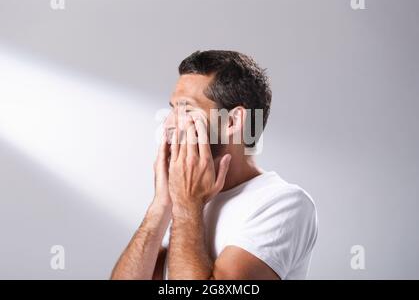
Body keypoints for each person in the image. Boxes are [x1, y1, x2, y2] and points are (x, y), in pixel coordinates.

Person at [111, 50, 317, 280]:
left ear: (232, 121)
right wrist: (161, 205)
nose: (168, 123)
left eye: (186, 109)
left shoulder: (283, 203)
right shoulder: (184, 196)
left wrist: (187, 207)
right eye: (172, 109)